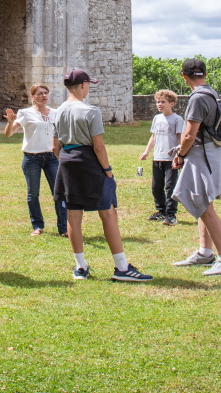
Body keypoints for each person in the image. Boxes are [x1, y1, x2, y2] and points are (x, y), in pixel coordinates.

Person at [52, 69, 151, 282]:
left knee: (73, 213)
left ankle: (80, 266)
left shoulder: (57, 111)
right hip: (88, 160)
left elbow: (54, 146)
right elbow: (98, 146)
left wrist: (66, 161)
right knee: (108, 212)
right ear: (82, 86)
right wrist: (107, 170)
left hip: (67, 159)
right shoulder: (90, 110)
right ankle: (122, 267)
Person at [170, 58, 221, 276]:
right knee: (202, 202)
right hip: (211, 152)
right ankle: (205, 252)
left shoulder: (197, 98)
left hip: (202, 154)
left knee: (204, 206)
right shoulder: (210, 93)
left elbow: (190, 134)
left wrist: (180, 154)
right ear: (204, 75)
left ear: (184, 75)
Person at [4, 83, 66, 237]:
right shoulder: (25, 113)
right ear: (32, 97)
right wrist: (10, 121)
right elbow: (9, 133)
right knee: (33, 194)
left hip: (52, 157)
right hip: (32, 158)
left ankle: (64, 228)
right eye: (39, 93)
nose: (43, 96)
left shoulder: (56, 113)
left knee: (59, 193)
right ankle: (37, 226)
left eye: (45, 93)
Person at [138, 89, 182, 225]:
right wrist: (146, 151)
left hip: (171, 159)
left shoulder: (177, 119)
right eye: (158, 102)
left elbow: (181, 139)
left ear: (172, 103)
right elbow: (154, 136)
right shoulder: (157, 118)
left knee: (170, 186)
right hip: (158, 157)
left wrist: (179, 155)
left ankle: (171, 214)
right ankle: (161, 211)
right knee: (156, 186)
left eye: (163, 102)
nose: (160, 104)